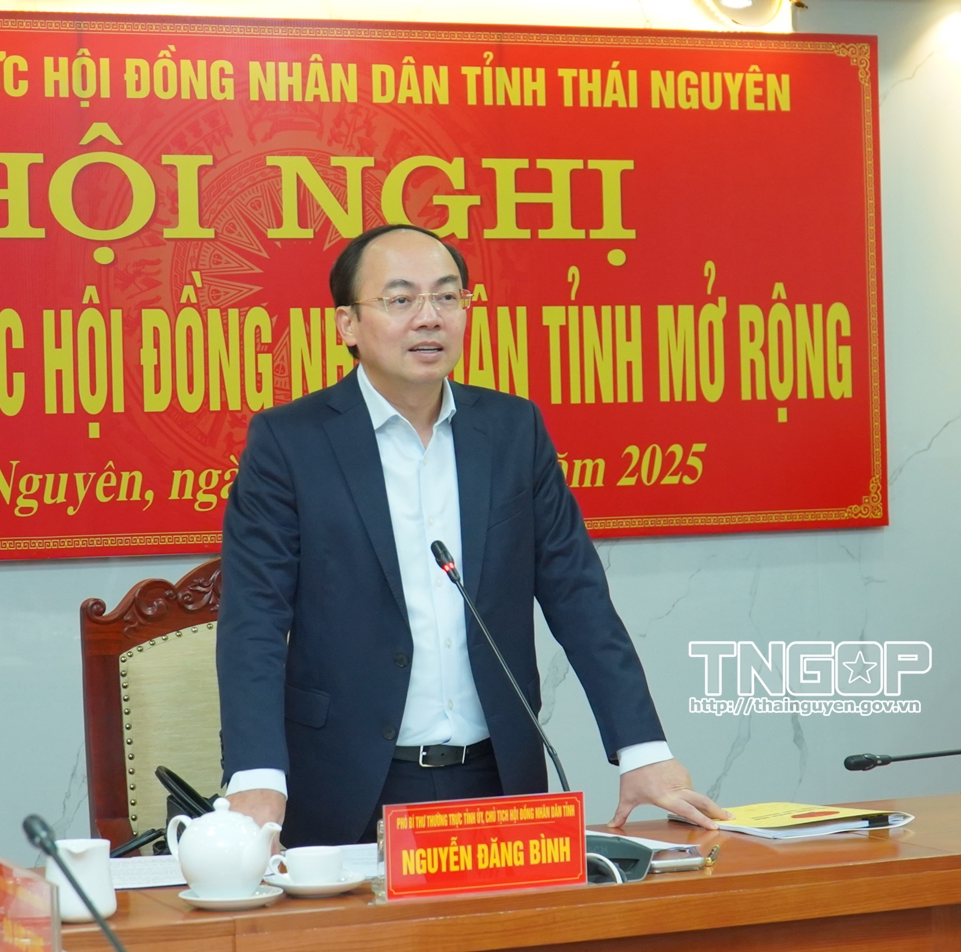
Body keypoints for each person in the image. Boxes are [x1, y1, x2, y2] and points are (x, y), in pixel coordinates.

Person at [216, 223, 726, 847]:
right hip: (344, 782)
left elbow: (578, 596)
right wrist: (257, 774)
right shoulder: (290, 442)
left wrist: (642, 750)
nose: (429, 317)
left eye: (447, 296)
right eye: (400, 299)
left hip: (498, 777)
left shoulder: (513, 430)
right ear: (348, 324)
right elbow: (255, 617)